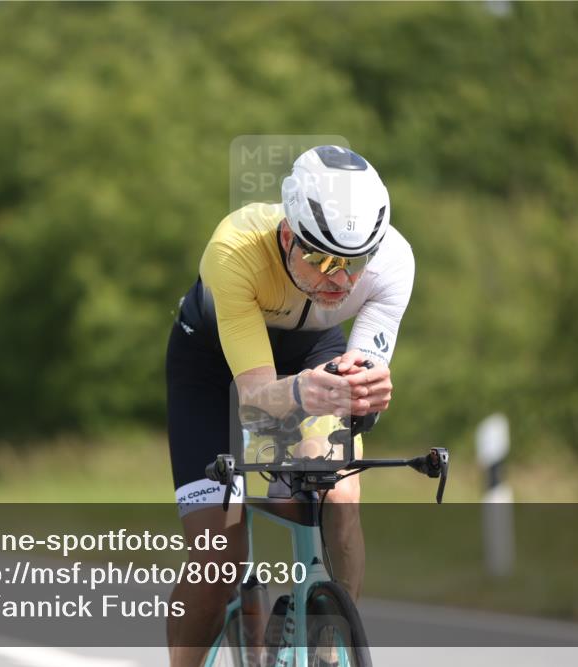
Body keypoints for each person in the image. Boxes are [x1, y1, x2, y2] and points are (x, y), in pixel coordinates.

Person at [165, 145, 414, 666]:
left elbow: (359, 385)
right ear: (286, 236)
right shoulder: (234, 251)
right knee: (219, 555)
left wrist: (366, 395)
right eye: (323, 260)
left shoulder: (392, 261)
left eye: (354, 264)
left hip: (311, 356)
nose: (340, 281)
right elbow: (255, 398)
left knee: (339, 500)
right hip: (214, 371)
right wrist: (302, 392)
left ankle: (331, 644)